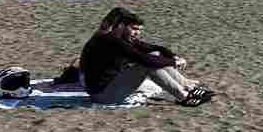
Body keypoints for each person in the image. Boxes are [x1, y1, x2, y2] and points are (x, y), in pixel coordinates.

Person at [80, 9, 213, 106]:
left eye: (139, 30)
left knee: (154, 56)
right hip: (102, 95)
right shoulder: (111, 40)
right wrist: (174, 62)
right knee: (147, 64)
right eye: (134, 29)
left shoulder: (122, 38)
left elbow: (154, 49)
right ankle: (183, 96)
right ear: (121, 26)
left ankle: (187, 86)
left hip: (110, 85)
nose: (137, 33)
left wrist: (173, 55)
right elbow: (144, 60)